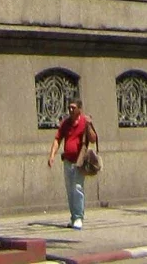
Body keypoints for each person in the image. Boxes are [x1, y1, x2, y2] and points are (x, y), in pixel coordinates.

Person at [48, 95, 99, 230]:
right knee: (70, 190)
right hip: (67, 161)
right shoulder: (65, 123)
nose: (70, 110)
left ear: (79, 109)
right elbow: (57, 139)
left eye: (73, 108)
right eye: (69, 107)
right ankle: (73, 217)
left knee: (77, 188)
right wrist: (52, 155)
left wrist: (88, 126)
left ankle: (78, 217)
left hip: (79, 161)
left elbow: (93, 139)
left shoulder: (84, 122)